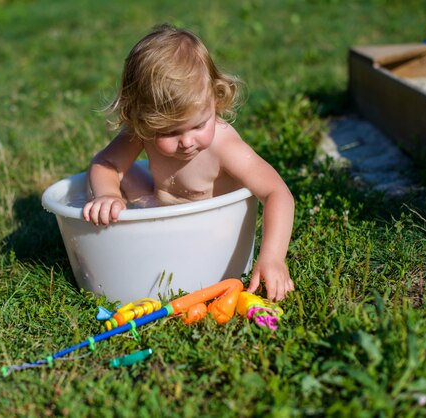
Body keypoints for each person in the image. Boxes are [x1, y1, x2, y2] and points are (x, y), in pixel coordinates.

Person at [82, 24, 295, 301]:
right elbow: (106, 162)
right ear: (141, 119)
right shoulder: (146, 130)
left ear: (214, 100)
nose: (186, 142)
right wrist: (108, 195)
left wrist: (273, 257)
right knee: (108, 179)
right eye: (169, 133)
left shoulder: (223, 145)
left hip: (211, 239)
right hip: (159, 215)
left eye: (198, 125)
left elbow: (277, 193)